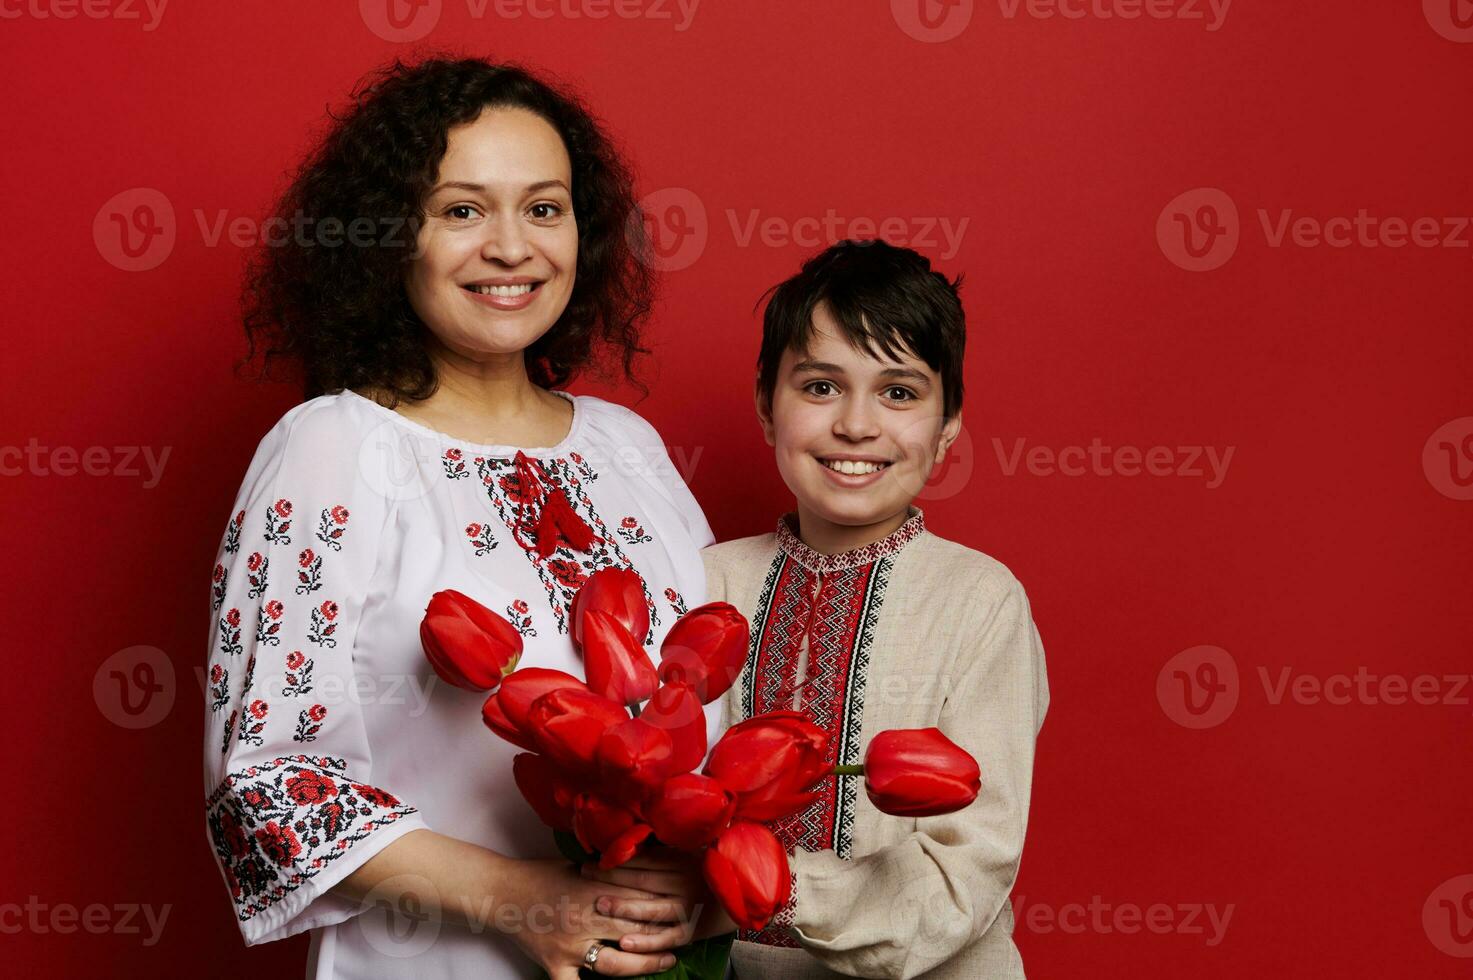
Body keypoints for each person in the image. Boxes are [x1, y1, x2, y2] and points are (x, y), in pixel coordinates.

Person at [203, 56, 716, 979]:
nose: (513, 247)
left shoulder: (625, 444)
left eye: (544, 208)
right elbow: (267, 792)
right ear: (389, 238)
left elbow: (717, 702)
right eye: (462, 210)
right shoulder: (333, 449)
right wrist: (525, 900)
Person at [598, 239, 1050, 977]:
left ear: (947, 429)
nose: (855, 425)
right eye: (819, 387)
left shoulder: (978, 601)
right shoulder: (704, 581)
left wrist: (752, 890)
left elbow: (961, 880)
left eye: (898, 393)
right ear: (765, 405)